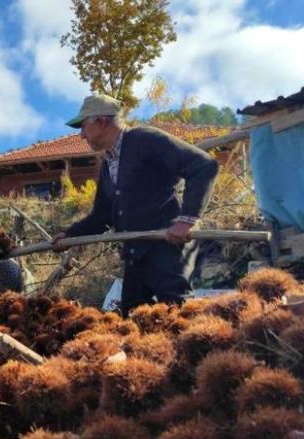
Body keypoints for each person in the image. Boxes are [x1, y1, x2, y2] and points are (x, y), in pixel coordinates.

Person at [53, 94, 218, 315]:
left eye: (83, 127)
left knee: (177, 311)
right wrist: (70, 235)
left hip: (165, 244)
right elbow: (102, 215)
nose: (82, 135)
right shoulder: (108, 164)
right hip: (135, 252)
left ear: (101, 122)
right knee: (134, 316)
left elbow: (203, 165)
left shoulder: (144, 140)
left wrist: (186, 220)